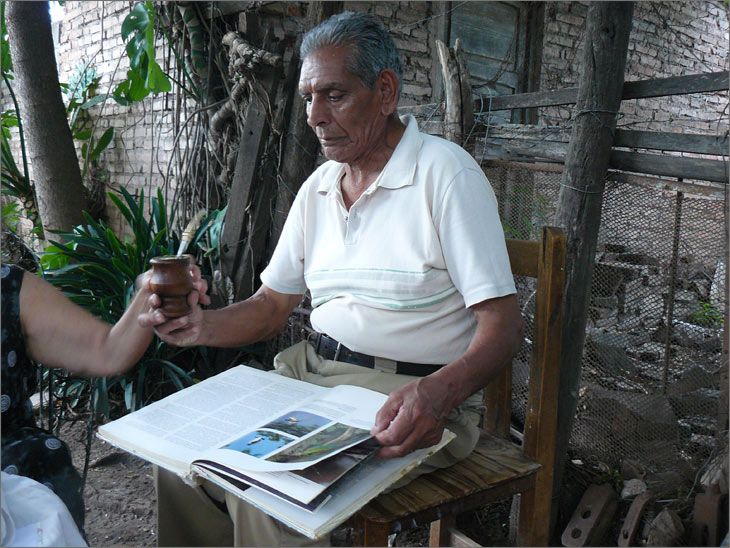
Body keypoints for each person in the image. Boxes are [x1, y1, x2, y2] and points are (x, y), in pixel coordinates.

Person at [141, 11, 523, 547]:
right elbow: (272, 305)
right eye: (307, 98)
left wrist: (436, 396)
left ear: (385, 91)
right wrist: (199, 326)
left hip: (409, 399)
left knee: (272, 494)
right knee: (183, 462)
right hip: (313, 381)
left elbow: (503, 327)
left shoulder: (445, 175)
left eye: (334, 95)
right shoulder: (318, 188)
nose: (315, 116)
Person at [0, 262, 185, 537]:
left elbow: (106, 351)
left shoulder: (7, 288)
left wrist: (151, 293)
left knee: (42, 461)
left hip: (13, 456)